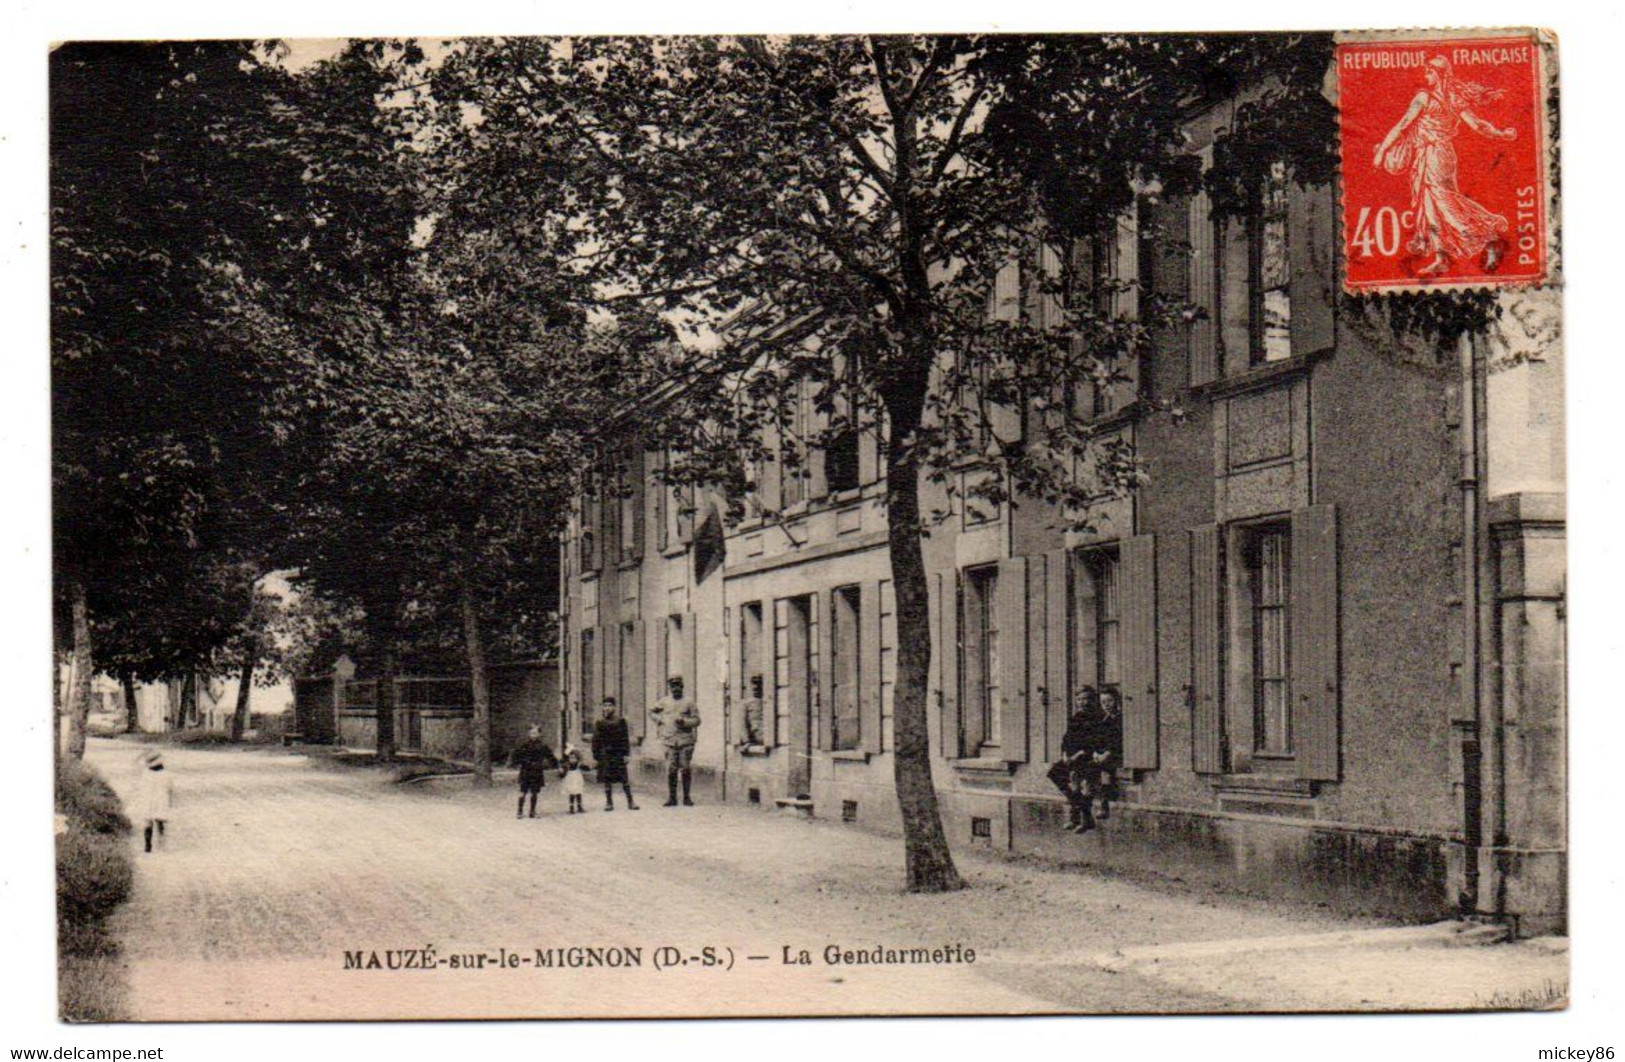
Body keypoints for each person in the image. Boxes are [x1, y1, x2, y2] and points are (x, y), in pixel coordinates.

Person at [1372, 55, 1517, 277]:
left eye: (1429, 72)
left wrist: (1382, 151)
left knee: (1445, 204)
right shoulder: (1454, 98)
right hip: (1443, 155)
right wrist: (1501, 133)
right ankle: (1442, 258)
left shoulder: (1423, 98)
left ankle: (1489, 238)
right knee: (1435, 206)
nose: (1425, 76)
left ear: (1438, 74)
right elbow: (1478, 125)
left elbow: (1402, 126)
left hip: (1432, 155)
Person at [648, 675, 700, 807]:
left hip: (685, 741)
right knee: (671, 769)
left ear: (682, 687)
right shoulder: (664, 701)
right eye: (673, 686)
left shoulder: (689, 702)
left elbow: (697, 720)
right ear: (670, 688)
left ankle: (687, 797)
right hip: (669, 741)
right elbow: (651, 712)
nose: (676, 689)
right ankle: (672, 798)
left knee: (685, 769)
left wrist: (685, 722)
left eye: (678, 686)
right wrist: (659, 720)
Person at [591, 697, 638, 811]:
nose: (607, 708)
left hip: (618, 753)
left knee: (624, 778)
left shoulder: (621, 721)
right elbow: (596, 740)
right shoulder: (600, 722)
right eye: (605, 705)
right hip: (605, 754)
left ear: (614, 707)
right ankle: (609, 802)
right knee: (607, 778)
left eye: (609, 705)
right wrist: (596, 756)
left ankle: (630, 801)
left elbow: (624, 739)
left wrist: (626, 754)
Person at [508, 725, 558, 819]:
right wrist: (518, 763)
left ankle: (532, 811)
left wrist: (558, 766)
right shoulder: (524, 745)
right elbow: (516, 755)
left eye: (534, 733)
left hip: (537, 771)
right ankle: (519, 811)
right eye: (531, 733)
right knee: (523, 791)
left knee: (534, 792)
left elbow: (550, 757)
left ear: (539, 734)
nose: (532, 735)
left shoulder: (543, 746)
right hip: (526, 770)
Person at [135, 749, 174, 853]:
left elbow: (141, 788)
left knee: (147, 822)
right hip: (161, 799)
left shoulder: (146, 774)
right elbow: (170, 788)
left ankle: (148, 845)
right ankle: (161, 844)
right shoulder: (166, 774)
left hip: (148, 799)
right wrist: (170, 800)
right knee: (160, 822)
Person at [738, 675, 766, 747]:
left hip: (767, 739)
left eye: (759, 684)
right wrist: (746, 741)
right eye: (754, 684)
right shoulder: (746, 703)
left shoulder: (767, 701)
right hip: (755, 740)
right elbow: (742, 723)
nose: (756, 687)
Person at [559, 745, 587, 814]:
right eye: (571, 758)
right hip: (570, 779)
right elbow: (562, 772)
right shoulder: (567, 765)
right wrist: (561, 772)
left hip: (577, 779)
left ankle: (579, 806)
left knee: (578, 791)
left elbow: (586, 768)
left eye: (574, 758)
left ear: (577, 759)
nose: (572, 759)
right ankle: (571, 807)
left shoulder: (578, 765)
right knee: (571, 792)